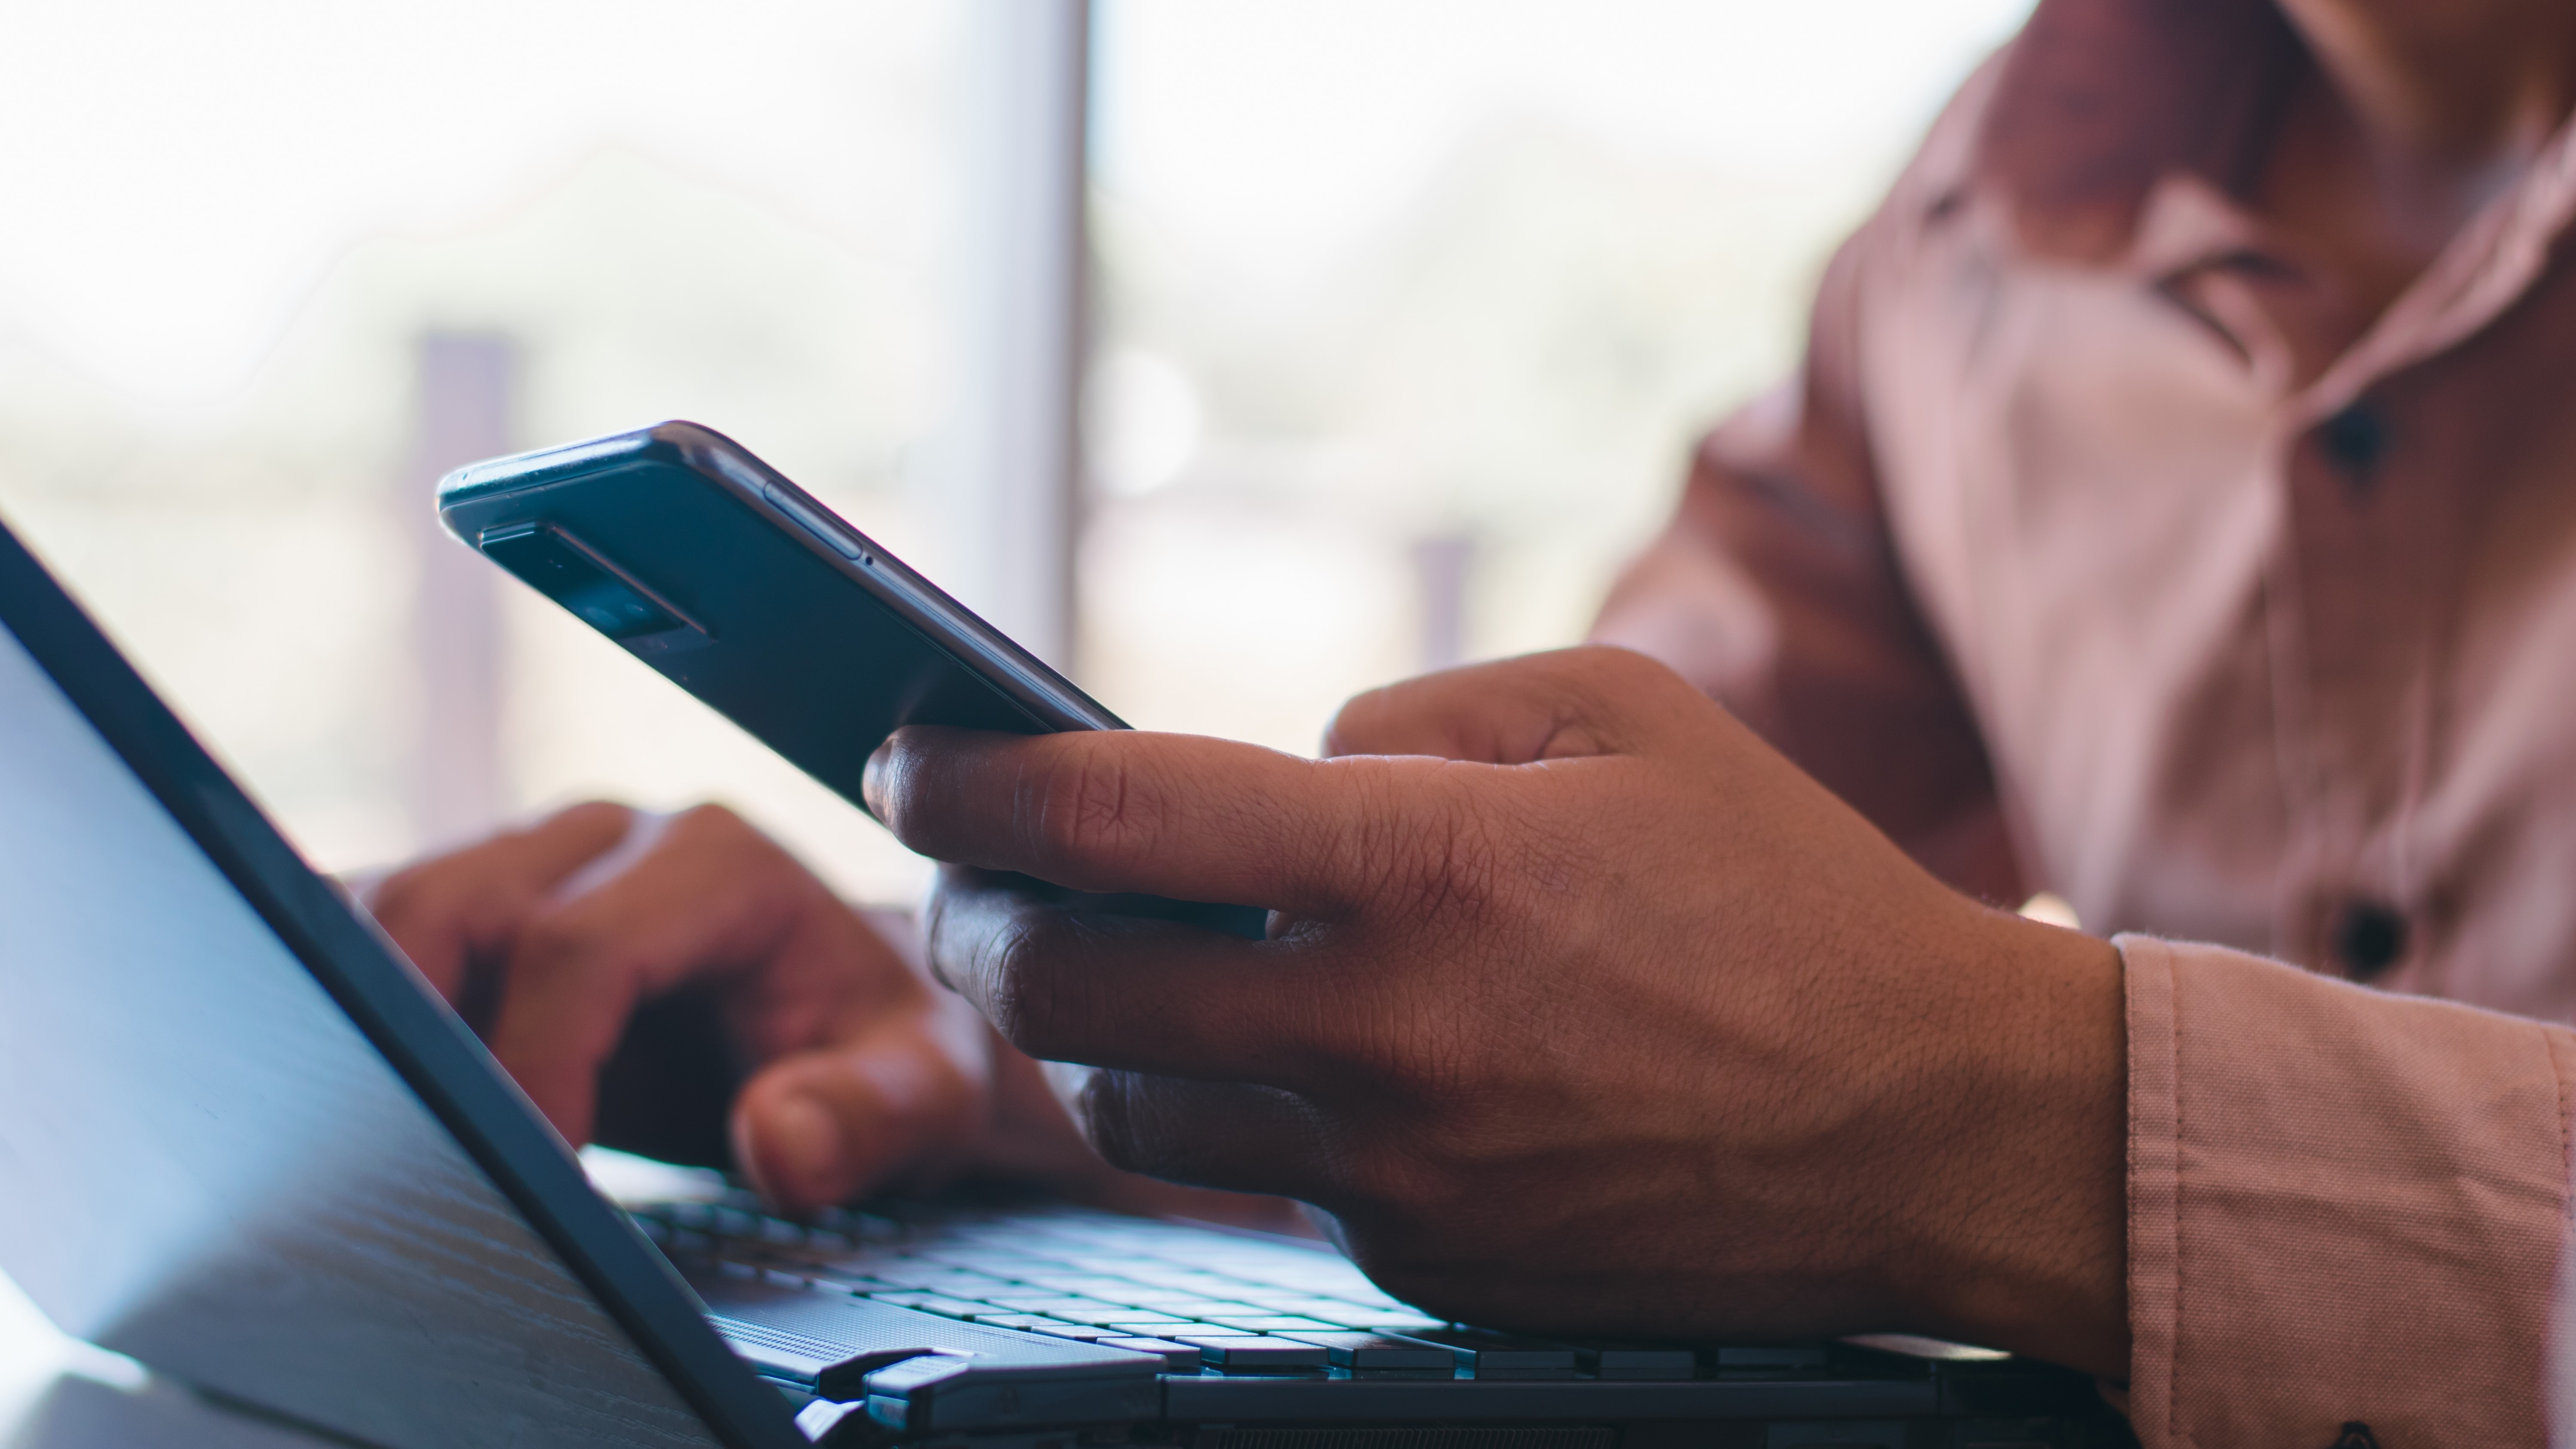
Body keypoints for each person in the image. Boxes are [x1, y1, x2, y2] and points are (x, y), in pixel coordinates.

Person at [365, 0, 2576, 1442]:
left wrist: (2022, 1122)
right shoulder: (1978, 232)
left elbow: (1843, 1075)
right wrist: (973, 1031)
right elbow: (1584, 996)